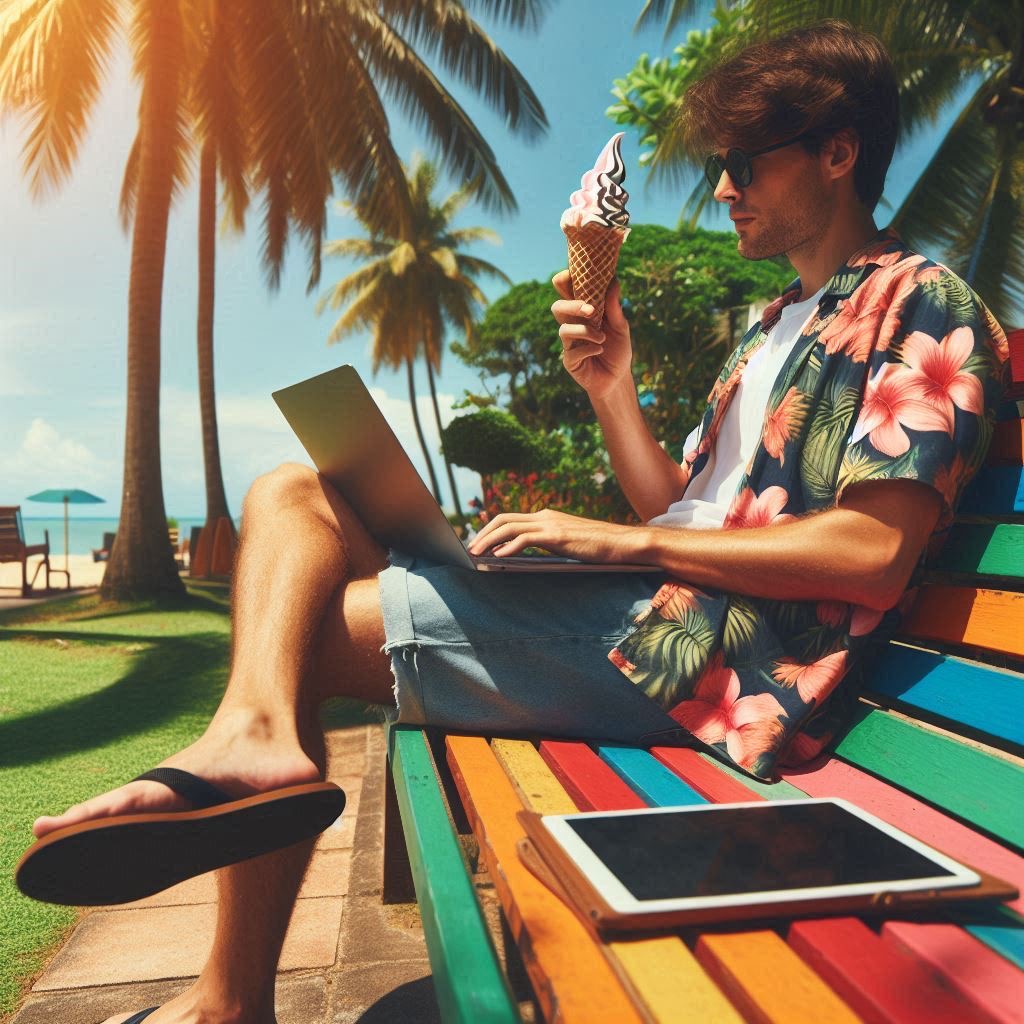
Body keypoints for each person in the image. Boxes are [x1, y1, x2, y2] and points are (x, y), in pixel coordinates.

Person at [22, 20, 1008, 1024]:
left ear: (838, 151)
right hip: (653, 614)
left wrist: (619, 543)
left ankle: (227, 997)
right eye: (719, 164)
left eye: (744, 161)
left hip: (705, 661)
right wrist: (611, 387)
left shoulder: (920, 302)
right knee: (288, 491)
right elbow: (683, 506)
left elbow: (873, 554)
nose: (721, 187)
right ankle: (253, 737)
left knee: (306, 630)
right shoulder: (772, 327)